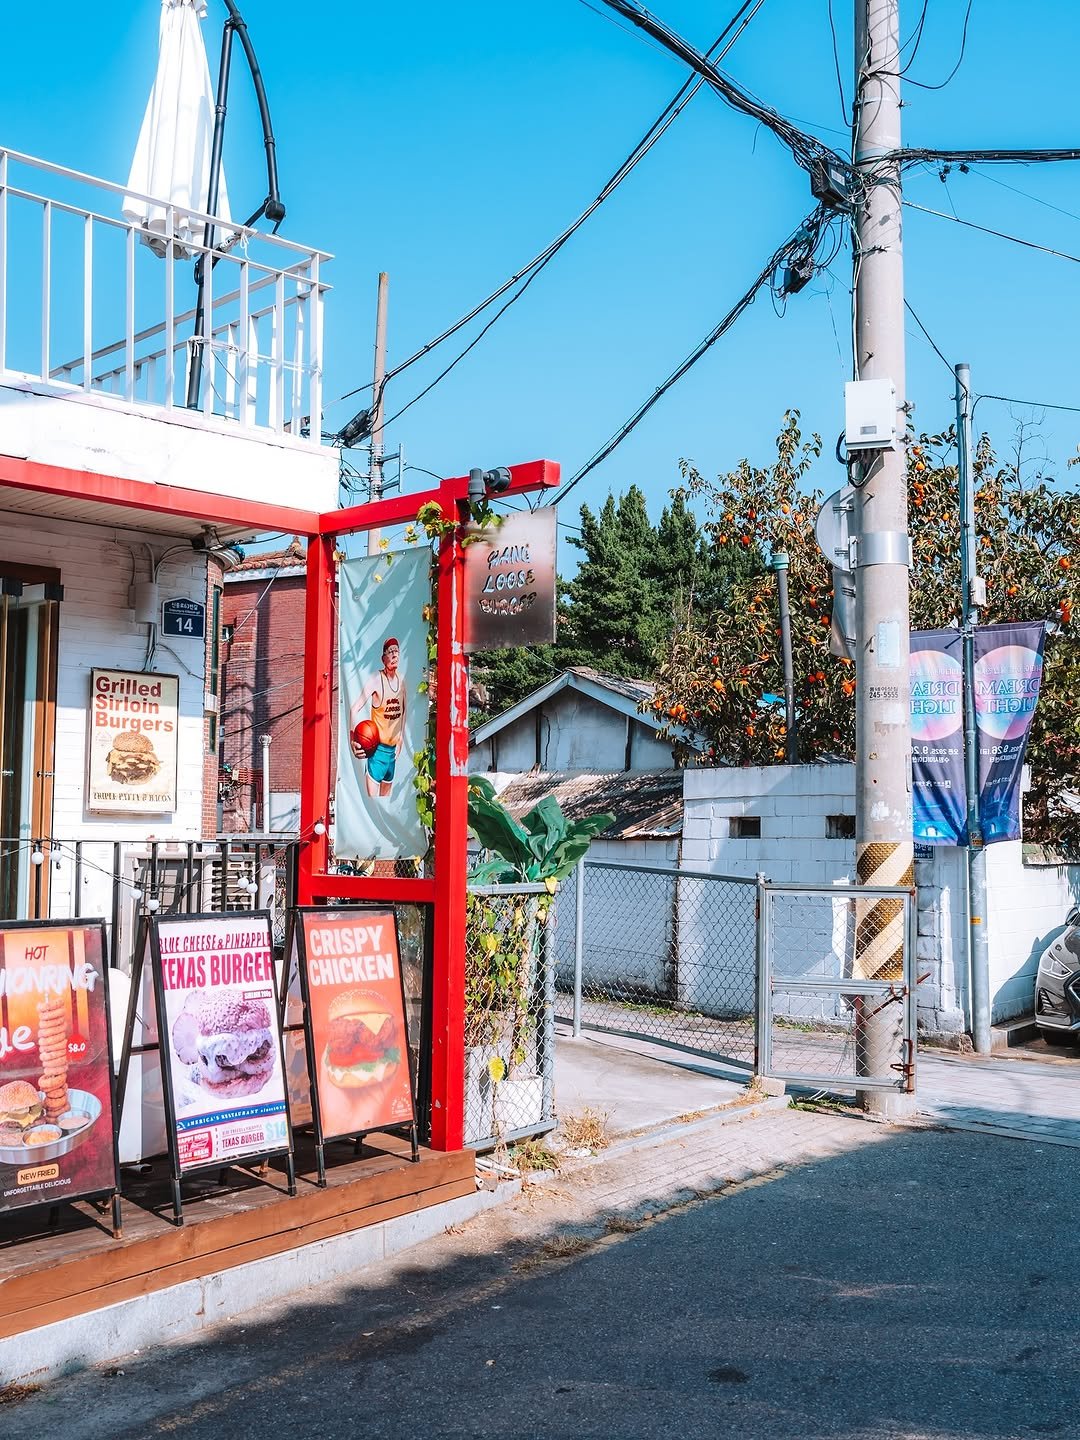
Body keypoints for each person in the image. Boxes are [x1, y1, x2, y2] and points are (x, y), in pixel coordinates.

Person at [350, 637, 407, 800]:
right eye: (390, 652)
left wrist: (401, 736)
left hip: (392, 752)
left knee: (386, 803)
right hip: (377, 750)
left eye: (396, 651)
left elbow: (404, 710)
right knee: (373, 803)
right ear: (383, 659)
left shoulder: (402, 681)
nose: (394, 654)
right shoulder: (376, 680)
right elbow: (354, 709)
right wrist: (352, 740)